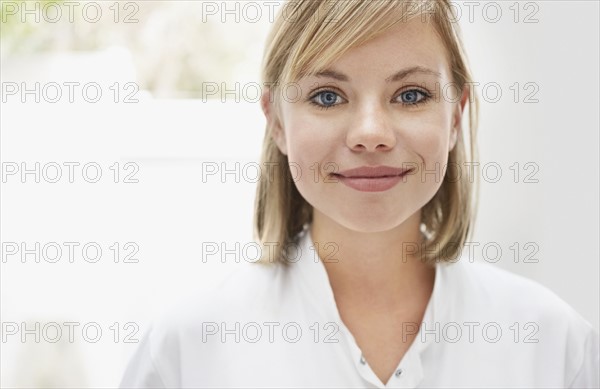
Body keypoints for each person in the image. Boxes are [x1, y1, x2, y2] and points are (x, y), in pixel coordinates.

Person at [120, 1, 599, 387]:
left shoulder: (553, 345)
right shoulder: (188, 349)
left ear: (455, 117)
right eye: (327, 96)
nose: (371, 134)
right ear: (277, 122)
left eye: (411, 95)